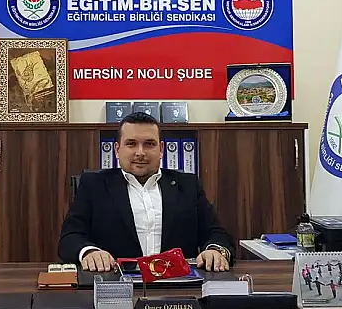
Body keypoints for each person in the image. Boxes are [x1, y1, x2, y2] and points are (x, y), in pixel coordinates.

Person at [58, 112, 235, 272]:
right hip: (115, 284)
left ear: (161, 150)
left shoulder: (187, 185)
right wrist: (89, 252)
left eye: (149, 144)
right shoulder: (93, 185)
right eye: (131, 144)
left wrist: (215, 251)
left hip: (177, 284)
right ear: (117, 150)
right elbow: (70, 237)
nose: (140, 153)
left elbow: (216, 233)